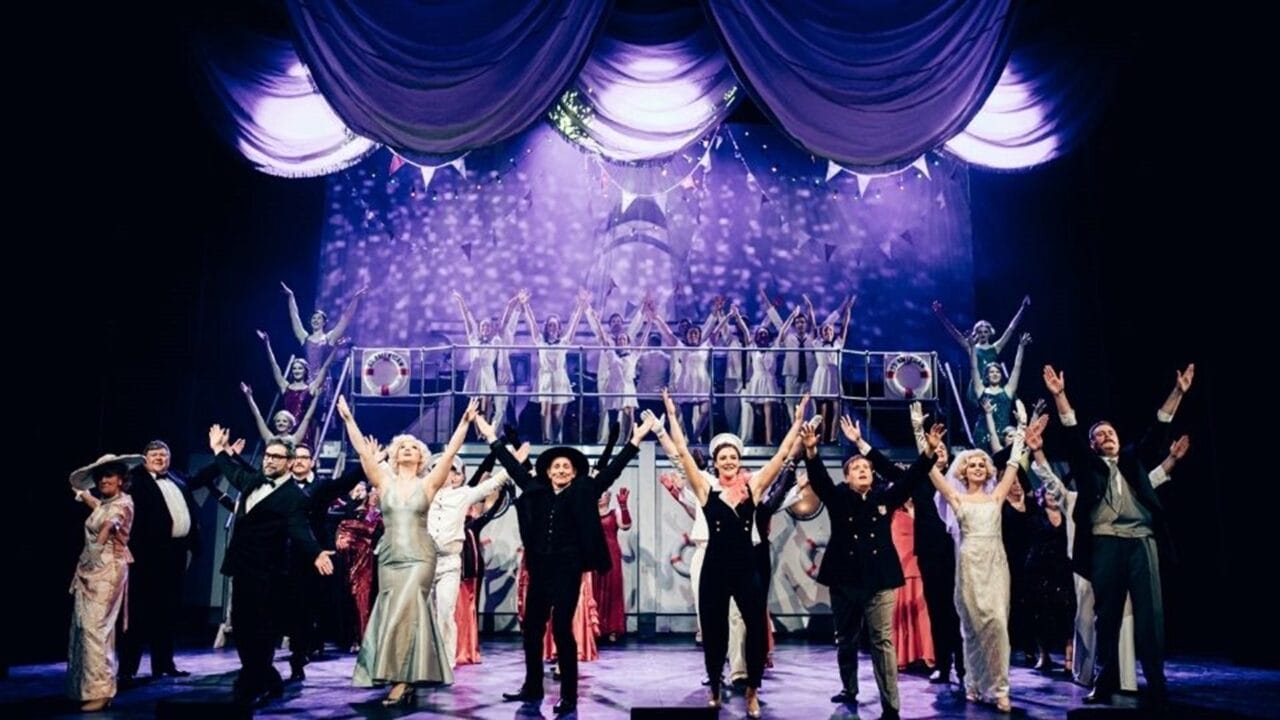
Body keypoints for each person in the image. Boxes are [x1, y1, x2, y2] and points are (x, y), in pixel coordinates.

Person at [484, 410, 657, 717]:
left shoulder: (584, 490)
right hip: (540, 568)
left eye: (566, 466)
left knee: (563, 628)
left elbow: (613, 470)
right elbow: (511, 465)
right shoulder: (536, 490)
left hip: (568, 570)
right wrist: (489, 435)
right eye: (556, 466)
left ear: (574, 472)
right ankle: (533, 685)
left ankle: (569, 696)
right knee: (532, 629)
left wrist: (636, 439)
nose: (561, 470)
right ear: (548, 472)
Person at [1042, 363, 1193, 709]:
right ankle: (1102, 681)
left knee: (1151, 615)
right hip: (1105, 541)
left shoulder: (1132, 460)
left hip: (1141, 541)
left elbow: (1158, 428)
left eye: (1111, 432)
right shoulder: (1089, 465)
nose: (1107, 436)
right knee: (1106, 616)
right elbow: (1071, 431)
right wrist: (1060, 395)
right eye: (1100, 435)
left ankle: (1156, 681)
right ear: (1093, 445)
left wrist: (1179, 392)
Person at [662, 388, 807, 718]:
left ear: (739, 461)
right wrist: (671, 416)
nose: (728, 462)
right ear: (715, 462)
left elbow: (782, 455)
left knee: (755, 627)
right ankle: (714, 685)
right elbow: (682, 452)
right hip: (714, 566)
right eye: (723, 458)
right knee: (714, 630)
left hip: (745, 566)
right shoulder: (704, 488)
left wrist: (796, 422)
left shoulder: (753, 486)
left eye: (733, 457)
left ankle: (752, 689)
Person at [337, 395, 477, 705]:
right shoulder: (383, 482)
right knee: (392, 613)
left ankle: (402, 680)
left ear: (421, 457)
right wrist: (349, 420)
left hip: (420, 557)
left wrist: (464, 424)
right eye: (403, 446)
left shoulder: (429, 484)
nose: (408, 450)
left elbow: (451, 452)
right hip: (390, 557)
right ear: (395, 455)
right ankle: (399, 672)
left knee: (409, 609)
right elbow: (362, 451)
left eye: (414, 447)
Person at [805, 416, 942, 720]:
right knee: (846, 639)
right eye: (856, 468)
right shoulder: (838, 496)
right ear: (847, 477)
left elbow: (911, 479)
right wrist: (811, 453)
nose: (863, 470)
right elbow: (819, 482)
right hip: (843, 579)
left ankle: (891, 706)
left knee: (882, 641)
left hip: (879, 579)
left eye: (866, 467)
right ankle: (849, 688)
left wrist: (929, 452)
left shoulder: (885, 496)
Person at [208, 428, 334, 707]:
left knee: (260, 630)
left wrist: (315, 553)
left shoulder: (294, 498)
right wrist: (219, 450)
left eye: (277, 457)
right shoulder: (253, 480)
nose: (269, 461)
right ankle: (267, 679)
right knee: (241, 628)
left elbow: (299, 529)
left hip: (267, 573)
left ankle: (254, 682)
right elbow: (232, 472)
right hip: (241, 568)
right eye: (267, 455)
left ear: (290, 462)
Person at [926, 405, 1040, 713]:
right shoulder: (957, 497)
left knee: (998, 624)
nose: (977, 467)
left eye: (981, 464)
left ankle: (1000, 689)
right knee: (973, 627)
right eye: (972, 464)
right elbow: (932, 472)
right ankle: (974, 683)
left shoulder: (996, 495)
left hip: (995, 563)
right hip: (970, 563)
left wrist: (1021, 429)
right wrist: (921, 438)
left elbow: (1014, 465)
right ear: (963, 471)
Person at [118, 440, 220, 685]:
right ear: (145, 458)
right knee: (140, 612)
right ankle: (128, 669)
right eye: (154, 455)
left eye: (164, 455)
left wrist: (222, 459)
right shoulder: (135, 481)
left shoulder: (176, 477)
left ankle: (164, 664)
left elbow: (197, 480)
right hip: (147, 555)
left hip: (175, 553)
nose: (160, 459)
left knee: (168, 611)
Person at [426, 451, 513, 668]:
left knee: (447, 611)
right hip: (424, 561)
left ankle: (447, 660)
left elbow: (488, 484)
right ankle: (425, 658)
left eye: (451, 470)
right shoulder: (423, 493)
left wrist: (510, 460)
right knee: (424, 612)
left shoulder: (463, 495)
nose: (446, 473)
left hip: (454, 561)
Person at [66, 454, 139, 712]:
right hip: (88, 570)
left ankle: (102, 690)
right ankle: (84, 688)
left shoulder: (124, 503)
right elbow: (100, 510)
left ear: (121, 479)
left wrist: (97, 546)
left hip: (108, 570)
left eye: (109, 475)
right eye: (100, 477)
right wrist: (83, 494)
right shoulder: (107, 503)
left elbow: (110, 523)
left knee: (96, 628)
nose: (104, 480)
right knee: (82, 627)